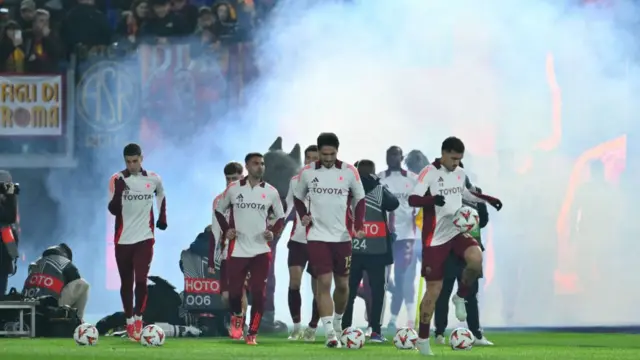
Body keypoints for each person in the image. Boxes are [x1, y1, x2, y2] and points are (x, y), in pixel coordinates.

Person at [408, 137, 502, 356]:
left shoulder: (459, 173)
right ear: (443, 153)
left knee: (476, 258)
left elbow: (465, 194)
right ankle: (422, 339)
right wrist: (432, 200)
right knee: (434, 290)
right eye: (453, 158)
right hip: (435, 239)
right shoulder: (429, 172)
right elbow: (413, 199)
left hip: (456, 231)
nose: (456, 163)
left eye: (459, 159)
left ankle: (460, 295)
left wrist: (488, 199)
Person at [293, 132, 366, 348]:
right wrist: (303, 214)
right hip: (316, 237)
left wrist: (359, 225)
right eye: (324, 154)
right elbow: (298, 197)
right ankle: (329, 334)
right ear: (318, 152)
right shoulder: (307, 172)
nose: (327, 158)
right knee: (323, 283)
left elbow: (360, 198)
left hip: (342, 237)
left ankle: (337, 321)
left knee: (343, 285)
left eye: (331, 154)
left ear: (337, 151)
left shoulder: (349, 171)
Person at [214, 152, 285, 345]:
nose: (260, 167)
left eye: (262, 164)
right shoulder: (234, 189)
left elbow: (281, 216)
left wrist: (273, 231)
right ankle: (237, 316)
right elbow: (219, 210)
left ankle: (252, 333)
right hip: (237, 250)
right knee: (234, 294)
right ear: (247, 166)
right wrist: (227, 229)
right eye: (256, 163)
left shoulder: (270, 191)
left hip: (261, 250)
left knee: (259, 292)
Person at [108, 143, 167, 341]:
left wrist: (162, 217)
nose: (132, 165)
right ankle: (129, 320)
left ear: (141, 159)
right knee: (126, 282)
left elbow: (161, 195)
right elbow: (113, 210)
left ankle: (139, 317)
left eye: (135, 161)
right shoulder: (117, 179)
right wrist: (119, 192)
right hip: (123, 239)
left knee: (141, 279)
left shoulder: (153, 178)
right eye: (128, 161)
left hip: (145, 237)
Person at [433, 163, 493, 346]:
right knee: (443, 292)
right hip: (448, 249)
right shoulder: (439, 193)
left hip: (471, 246)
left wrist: (470, 219)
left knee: (471, 293)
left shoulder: (476, 192)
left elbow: (483, 221)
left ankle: (476, 334)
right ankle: (439, 333)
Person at [342, 160, 399, 342]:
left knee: (358, 291)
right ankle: (364, 330)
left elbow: (394, 204)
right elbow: (394, 204)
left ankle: (358, 330)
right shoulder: (357, 191)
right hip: (365, 250)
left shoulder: (359, 190)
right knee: (363, 291)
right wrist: (377, 183)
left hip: (365, 250)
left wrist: (376, 184)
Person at [377, 146, 419, 331]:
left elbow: (420, 206)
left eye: (395, 155)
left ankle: (407, 320)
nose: (392, 158)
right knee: (382, 280)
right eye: (389, 154)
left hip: (406, 237)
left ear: (401, 157)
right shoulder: (379, 178)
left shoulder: (412, 179)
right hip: (383, 236)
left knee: (404, 278)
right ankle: (376, 319)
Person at [285, 145, 321, 341]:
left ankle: (312, 328)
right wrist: (273, 224)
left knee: (318, 288)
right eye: (308, 158)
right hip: (298, 240)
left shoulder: (329, 182)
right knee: (294, 282)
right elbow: (286, 207)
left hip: (319, 240)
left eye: (314, 158)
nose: (310, 161)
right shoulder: (295, 181)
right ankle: (297, 327)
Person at [208, 162, 249, 332]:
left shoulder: (251, 197)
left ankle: (240, 325)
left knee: (241, 291)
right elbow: (215, 230)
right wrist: (211, 260)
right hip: (226, 253)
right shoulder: (219, 200)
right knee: (226, 297)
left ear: (242, 176)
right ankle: (235, 319)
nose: (231, 182)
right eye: (228, 179)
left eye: (235, 178)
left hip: (247, 252)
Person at [22, 244, 90, 320]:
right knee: (83, 284)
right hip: (49, 309)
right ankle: (77, 323)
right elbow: (76, 281)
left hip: (26, 307)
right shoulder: (66, 263)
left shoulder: (35, 263)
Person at [0, 170, 18, 296]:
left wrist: (13, 255)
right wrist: (11, 197)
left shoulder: (5, 202)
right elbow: (9, 217)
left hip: (4, 257)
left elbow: (9, 226)